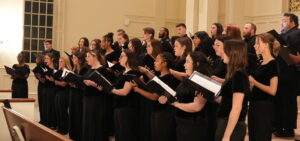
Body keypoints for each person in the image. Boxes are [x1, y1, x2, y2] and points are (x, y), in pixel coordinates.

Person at [161, 51, 212, 141]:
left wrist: (175, 104)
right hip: (182, 122)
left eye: (188, 62)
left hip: (193, 125)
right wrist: (167, 98)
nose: (184, 65)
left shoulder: (203, 81)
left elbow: (197, 107)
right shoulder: (190, 78)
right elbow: (182, 96)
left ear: (197, 64)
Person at [132, 52, 177, 141]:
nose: (154, 63)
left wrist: (138, 90)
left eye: (157, 61)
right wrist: (142, 83)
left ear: (164, 63)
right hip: (157, 112)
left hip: (163, 113)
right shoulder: (160, 77)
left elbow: (154, 97)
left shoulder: (168, 78)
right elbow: (153, 91)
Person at [215, 40, 250, 141]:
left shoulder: (239, 74)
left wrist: (226, 136)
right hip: (226, 121)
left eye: (224, 50)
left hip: (232, 125)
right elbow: (229, 100)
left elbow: (237, 108)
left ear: (233, 53)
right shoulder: (234, 73)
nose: (222, 53)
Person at [248, 33, 280, 141]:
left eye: (257, 43)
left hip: (264, 107)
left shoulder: (273, 64)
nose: (254, 46)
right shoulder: (260, 63)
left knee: (261, 136)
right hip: (254, 106)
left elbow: (273, 90)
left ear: (266, 45)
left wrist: (254, 82)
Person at [274, 13, 300, 137]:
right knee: (279, 101)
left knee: (288, 102)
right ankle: (279, 126)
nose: (281, 23)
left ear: (293, 22)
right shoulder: (283, 35)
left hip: (290, 74)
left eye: (284, 21)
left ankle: (288, 128)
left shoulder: (297, 33)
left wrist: (283, 49)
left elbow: (295, 55)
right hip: (280, 72)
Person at [111, 49, 141, 141]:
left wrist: (110, 89)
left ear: (129, 58)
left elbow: (125, 92)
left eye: (122, 56)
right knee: (119, 134)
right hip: (119, 106)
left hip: (126, 108)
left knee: (125, 134)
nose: (119, 58)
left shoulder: (132, 73)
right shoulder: (124, 72)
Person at [82, 50, 112, 141]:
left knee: (96, 122)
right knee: (88, 122)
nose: (87, 59)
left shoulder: (102, 69)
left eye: (88, 56)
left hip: (97, 100)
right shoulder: (89, 69)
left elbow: (106, 86)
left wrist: (93, 84)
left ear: (94, 57)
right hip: (88, 99)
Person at [69, 52, 89, 141]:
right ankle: (73, 134)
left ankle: (78, 135)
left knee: (78, 114)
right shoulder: (75, 68)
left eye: (74, 58)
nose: (73, 59)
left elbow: (83, 83)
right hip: (73, 93)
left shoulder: (85, 69)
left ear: (80, 60)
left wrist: (75, 85)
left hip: (79, 94)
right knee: (73, 112)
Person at [52, 56, 72, 135]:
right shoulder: (59, 71)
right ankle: (60, 127)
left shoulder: (67, 71)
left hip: (64, 94)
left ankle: (64, 129)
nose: (60, 63)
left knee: (63, 112)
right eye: (59, 61)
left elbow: (63, 84)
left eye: (62, 61)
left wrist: (55, 82)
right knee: (58, 111)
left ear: (66, 63)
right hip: (58, 93)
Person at [43, 53, 57, 129]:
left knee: (52, 106)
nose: (46, 60)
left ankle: (53, 124)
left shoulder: (55, 69)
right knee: (46, 105)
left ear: (52, 59)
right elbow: (43, 80)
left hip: (53, 89)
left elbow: (57, 79)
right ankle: (46, 123)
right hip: (45, 88)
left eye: (47, 58)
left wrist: (52, 79)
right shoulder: (45, 68)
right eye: (45, 58)